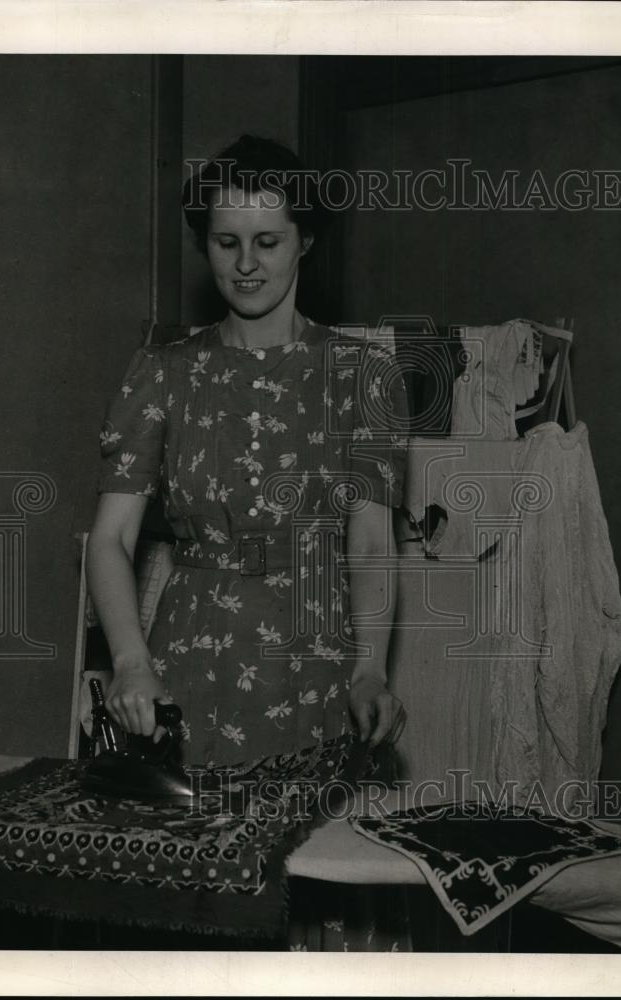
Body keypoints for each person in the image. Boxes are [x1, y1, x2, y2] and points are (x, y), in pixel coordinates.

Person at [87, 134, 408, 768]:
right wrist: (129, 663)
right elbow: (110, 540)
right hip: (188, 665)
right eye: (225, 242)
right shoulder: (162, 371)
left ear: (304, 241)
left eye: (268, 242)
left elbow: (370, 544)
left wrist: (370, 671)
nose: (245, 264)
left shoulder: (364, 376)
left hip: (319, 669)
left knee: (311, 858)